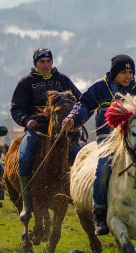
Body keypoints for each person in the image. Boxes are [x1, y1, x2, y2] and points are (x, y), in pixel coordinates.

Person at [62, 54, 136, 235]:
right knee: (103, 168)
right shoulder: (99, 88)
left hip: (130, 142)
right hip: (106, 140)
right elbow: (84, 106)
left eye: (131, 72)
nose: (128, 76)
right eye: (124, 72)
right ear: (114, 73)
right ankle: (100, 212)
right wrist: (73, 119)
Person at [11, 48, 82, 221]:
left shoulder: (62, 80)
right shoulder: (25, 83)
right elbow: (16, 109)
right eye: (42, 62)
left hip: (62, 133)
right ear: (35, 63)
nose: (46, 65)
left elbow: (80, 102)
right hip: (36, 131)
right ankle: (27, 203)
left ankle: (78, 195)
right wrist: (27, 120)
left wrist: (73, 121)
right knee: (25, 157)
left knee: (78, 155)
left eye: (48, 61)